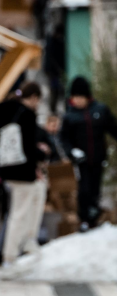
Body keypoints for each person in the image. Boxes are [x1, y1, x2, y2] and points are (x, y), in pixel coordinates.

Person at [0, 82, 49, 267]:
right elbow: (28, 149)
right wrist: (42, 154)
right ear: (33, 97)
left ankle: (27, 242)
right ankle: (11, 254)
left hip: (6, 169)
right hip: (22, 171)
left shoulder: (1, 111)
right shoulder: (27, 115)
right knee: (19, 212)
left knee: (33, 197)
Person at [60, 76, 117, 230]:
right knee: (84, 189)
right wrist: (71, 152)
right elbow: (64, 139)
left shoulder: (100, 110)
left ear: (86, 96)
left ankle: (94, 217)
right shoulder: (70, 116)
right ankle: (84, 219)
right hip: (81, 161)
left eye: (79, 97)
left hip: (98, 157)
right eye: (74, 97)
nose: (77, 100)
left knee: (95, 189)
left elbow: (112, 128)